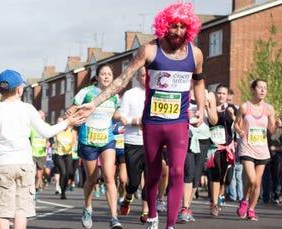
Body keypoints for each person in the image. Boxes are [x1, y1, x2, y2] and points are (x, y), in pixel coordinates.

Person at [74, 3, 205, 229]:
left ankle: (170, 225)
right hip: (152, 123)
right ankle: (152, 215)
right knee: (153, 173)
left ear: (189, 28)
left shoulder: (196, 54)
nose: (178, 32)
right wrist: (94, 103)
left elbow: (200, 80)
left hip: (179, 123)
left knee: (176, 171)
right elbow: (122, 80)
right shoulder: (150, 50)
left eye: (183, 27)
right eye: (174, 27)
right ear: (165, 26)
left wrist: (201, 107)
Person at [0, 69, 81, 229]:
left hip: (3, 164)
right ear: (20, 89)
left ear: (0, 90)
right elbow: (46, 132)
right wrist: (67, 123)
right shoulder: (27, 109)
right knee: (21, 210)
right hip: (24, 164)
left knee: (3, 211)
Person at [66, 63, 123, 229]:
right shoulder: (86, 92)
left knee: (109, 176)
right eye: (103, 74)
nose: (106, 77)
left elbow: (115, 113)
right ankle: (88, 207)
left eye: (109, 74)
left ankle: (114, 217)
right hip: (88, 140)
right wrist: (69, 112)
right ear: (97, 76)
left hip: (107, 139)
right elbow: (74, 106)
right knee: (91, 179)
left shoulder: (114, 94)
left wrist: (123, 117)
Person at [235, 79, 276, 221]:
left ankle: (251, 209)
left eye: (265, 88)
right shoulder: (245, 107)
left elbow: (271, 129)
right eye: (260, 88)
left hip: (262, 149)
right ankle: (245, 200)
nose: (263, 90)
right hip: (247, 147)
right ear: (253, 90)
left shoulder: (269, 109)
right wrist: (239, 131)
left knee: (257, 182)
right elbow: (236, 124)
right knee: (251, 179)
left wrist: (277, 124)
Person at [178, 87, 218, 223]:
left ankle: (187, 207)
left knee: (196, 175)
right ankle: (184, 208)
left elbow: (214, 121)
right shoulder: (182, 92)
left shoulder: (209, 95)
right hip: (187, 137)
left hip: (203, 139)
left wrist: (206, 107)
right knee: (188, 171)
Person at [117, 67, 149, 224]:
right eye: (143, 75)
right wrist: (136, 121)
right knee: (134, 181)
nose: (147, 78)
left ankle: (146, 211)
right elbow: (122, 117)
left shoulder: (157, 93)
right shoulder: (130, 94)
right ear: (137, 77)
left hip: (152, 142)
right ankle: (128, 196)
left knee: (150, 180)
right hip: (133, 142)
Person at [207, 84, 237, 216]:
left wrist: (232, 116)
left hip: (228, 146)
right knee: (216, 172)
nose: (221, 96)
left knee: (226, 177)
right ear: (215, 94)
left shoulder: (231, 109)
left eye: (224, 94)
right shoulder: (209, 107)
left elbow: (237, 126)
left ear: (227, 96)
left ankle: (220, 194)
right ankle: (214, 204)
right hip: (214, 146)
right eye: (219, 93)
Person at [54, 116, 76, 199]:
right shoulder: (58, 131)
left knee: (67, 174)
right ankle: (62, 191)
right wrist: (53, 144)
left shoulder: (72, 131)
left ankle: (63, 190)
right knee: (63, 172)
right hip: (59, 154)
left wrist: (73, 146)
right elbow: (52, 139)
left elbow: (74, 142)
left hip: (68, 154)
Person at [262, 115, 282, 204]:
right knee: (266, 178)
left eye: (280, 119)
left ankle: (276, 196)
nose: (278, 120)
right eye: (278, 119)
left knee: (276, 177)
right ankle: (266, 197)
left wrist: (276, 149)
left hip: (277, 157)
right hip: (266, 156)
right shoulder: (268, 130)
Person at [30, 110, 49, 197]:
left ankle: (36, 190)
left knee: (39, 175)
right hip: (32, 153)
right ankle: (32, 190)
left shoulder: (47, 126)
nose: (40, 119)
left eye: (42, 117)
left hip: (42, 154)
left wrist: (48, 143)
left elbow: (49, 138)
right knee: (33, 174)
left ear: (44, 117)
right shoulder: (31, 127)